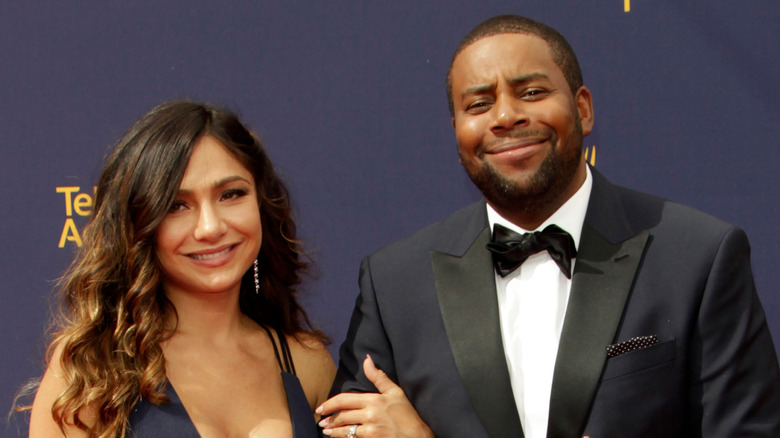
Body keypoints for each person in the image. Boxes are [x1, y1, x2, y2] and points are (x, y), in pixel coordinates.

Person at [318, 15, 780, 438]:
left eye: (532, 93)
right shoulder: (396, 282)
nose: (505, 116)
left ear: (583, 109)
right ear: (456, 133)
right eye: (479, 103)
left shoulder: (697, 256)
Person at [24, 101, 336, 437]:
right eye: (177, 205)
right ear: (139, 226)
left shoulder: (306, 363)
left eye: (231, 194)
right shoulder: (92, 370)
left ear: (262, 202)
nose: (210, 227)